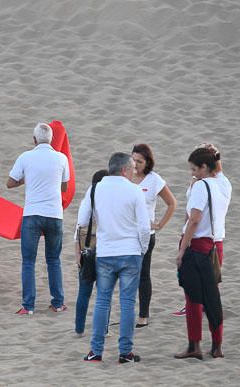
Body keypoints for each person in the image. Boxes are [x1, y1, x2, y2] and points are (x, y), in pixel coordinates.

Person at [80, 153, 150, 363]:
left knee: (102, 302)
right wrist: (142, 250)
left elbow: (83, 220)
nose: (134, 173)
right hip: (130, 252)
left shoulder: (95, 189)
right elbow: (144, 227)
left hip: (106, 252)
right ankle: (125, 352)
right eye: (132, 169)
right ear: (123, 170)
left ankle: (96, 351)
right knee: (128, 303)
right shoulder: (135, 191)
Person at [174, 147, 231, 359]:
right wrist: (216, 155)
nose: (193, 173)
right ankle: (217, 346)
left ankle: (194, 346)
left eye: (194, 169)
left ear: (205, 167)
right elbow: (219, 170)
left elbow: (194, 219)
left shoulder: (201, 186)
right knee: (212, 296)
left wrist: (182, 249)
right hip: (217, 246)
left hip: (197, 245)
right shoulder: (224, 184)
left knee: (193, 297)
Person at [7, 123, 70, 315]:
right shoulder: (61, 158)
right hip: (54, 214)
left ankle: (28, 306)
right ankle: (57, 303)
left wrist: (28, 178)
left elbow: (10, 183)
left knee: (28, 261)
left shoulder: (26, 157)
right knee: (53, 259)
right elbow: (64, 188)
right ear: (50, 139)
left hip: (33, 214)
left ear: (34, 139)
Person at [130, 144, 177, 328]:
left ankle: (143, 315)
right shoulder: (125, 176)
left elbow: (172, 203)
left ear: (147, 162)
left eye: (139, 161)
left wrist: (159, 225)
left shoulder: (154, 180)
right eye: (133, 160)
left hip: (144, 235)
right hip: (125, 233)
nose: (135, 165)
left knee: (143, 274)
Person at [74, 169, 109, 337]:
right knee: (104, 294)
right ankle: (104, 329)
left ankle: (79, 329)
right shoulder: (111, 199)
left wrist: (77, 253)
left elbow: (79, 226)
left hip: (87, 250)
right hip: (106, 251)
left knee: (84, 292)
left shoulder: (88, 198)